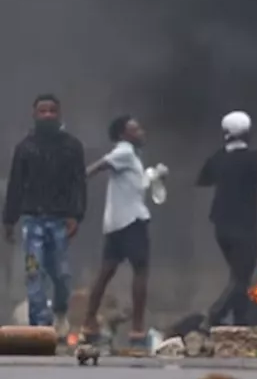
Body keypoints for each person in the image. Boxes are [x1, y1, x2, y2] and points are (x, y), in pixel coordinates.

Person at [197, 111, 257, 327]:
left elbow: (203, 180)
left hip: (220, 226)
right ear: (247, 134)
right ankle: (213, 315)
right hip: (243, 227)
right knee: (241, 277)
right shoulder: (252, 158)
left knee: (238, 274)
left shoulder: (217, 157)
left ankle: (241, 320)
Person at [2, 94, 86, 336]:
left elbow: (78, 183)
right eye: (43, 111)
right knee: (33, 271)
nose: (48, 115)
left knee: (61, 274)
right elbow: (16, 185)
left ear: (59, 114)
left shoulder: (72, 146)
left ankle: (59, 312)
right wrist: (9, 220)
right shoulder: (25, 148)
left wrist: (75, 215)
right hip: (32, 221)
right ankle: (40, 324)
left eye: (52, 111)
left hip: (59, 221)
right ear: (34, 114)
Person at [82, 115, 164, 349]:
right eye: (135, 129)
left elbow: (136, 186)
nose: (141, 132)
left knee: (106, 271)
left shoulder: (131, 157)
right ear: (122, 134)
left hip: (116, 223)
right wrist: (78, 179)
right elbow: (100, 165)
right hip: (132, 222)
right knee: (140, 271)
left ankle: (89, 324)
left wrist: (155, 176)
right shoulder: (125, 152)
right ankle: (137, 329)